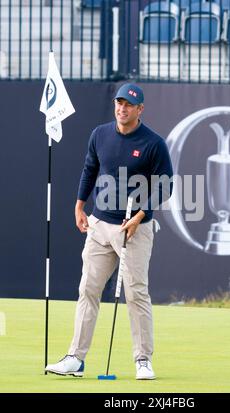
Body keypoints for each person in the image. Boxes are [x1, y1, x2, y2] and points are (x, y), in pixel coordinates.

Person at [45, 83, 173, 380]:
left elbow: (166, 183)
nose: (122, 108)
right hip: (100, 225)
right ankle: (75, 358)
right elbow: (90, 169)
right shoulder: (99, 134)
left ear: (140, 109)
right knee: (88, 289)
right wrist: (79, 206)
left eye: (129, 104)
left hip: (135, 230)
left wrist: (141, 214)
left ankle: (143, 360)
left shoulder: (154, 143)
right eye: (119, 103)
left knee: (136, 293)